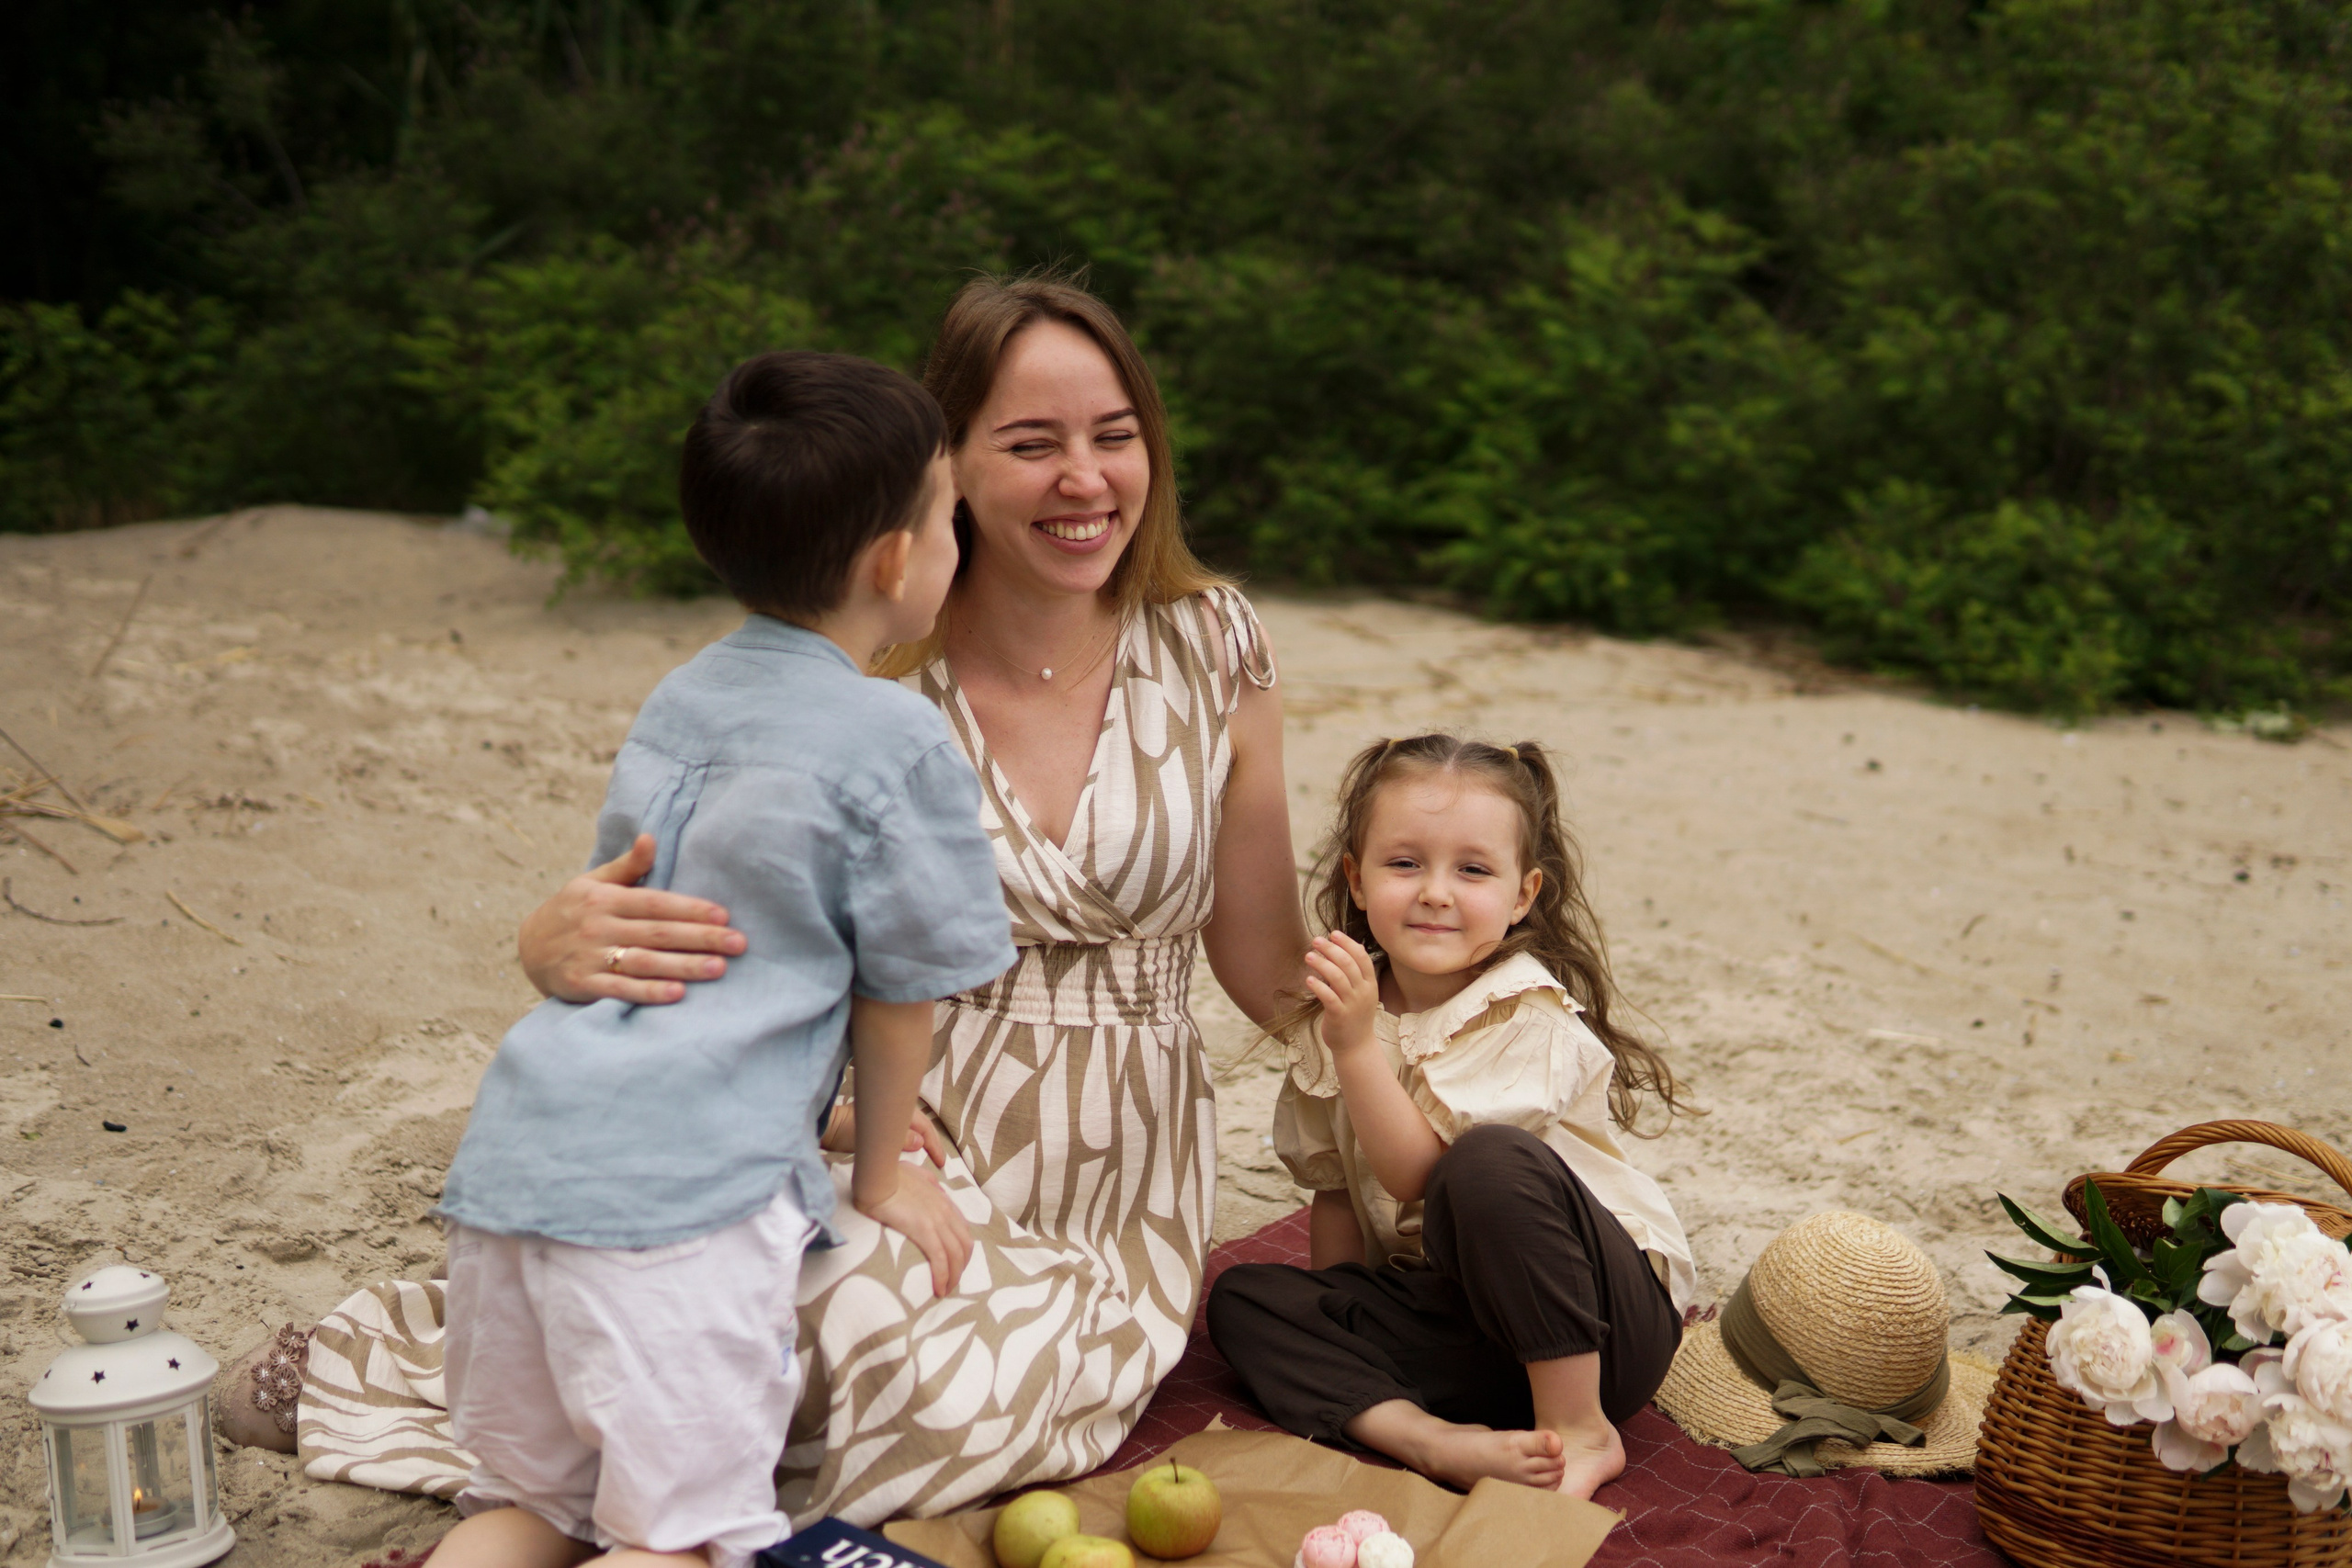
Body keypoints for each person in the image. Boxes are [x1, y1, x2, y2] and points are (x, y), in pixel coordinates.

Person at [280, 273, 1308, 1527]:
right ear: (946, 468)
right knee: (757, 1316)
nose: (1084, 478)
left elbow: (1269, 962)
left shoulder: (1211, 642)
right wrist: (549, 942)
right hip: (882, 1128)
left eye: (1115, 434)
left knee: (906, 1379)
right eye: (1032, 443)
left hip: (1113, 1173)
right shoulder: (865, 662)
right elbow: (701, 915)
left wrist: (1423, 1048)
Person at [425, 350, 1013, 1568]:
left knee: (526, 1509)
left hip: (520, 1161)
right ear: (894, 561)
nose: (958, 540)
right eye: (949, 515)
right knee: (682, 1540)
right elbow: (902, 989)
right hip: (679, 1211)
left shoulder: (682, 696)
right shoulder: (895, 734)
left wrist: (815, 1113)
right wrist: (883, 1169)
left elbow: (672, 944)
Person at [1205, 734, 1696, 1501]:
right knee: (1244, 1300)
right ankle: (1430, 1439)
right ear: (1357, 879)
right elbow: (1338, 1194)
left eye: (1472, 870)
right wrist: (1341, 1320)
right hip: (1475, 1339)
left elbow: (1417, 1175)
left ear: (1523, 895)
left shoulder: (1523, 1012)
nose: (1436, 892)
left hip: (1600, 1330)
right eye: (1405, 863)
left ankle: (1580, 1429)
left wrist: (1355, 1046)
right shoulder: (1346, 1008)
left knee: (1484, 1160)